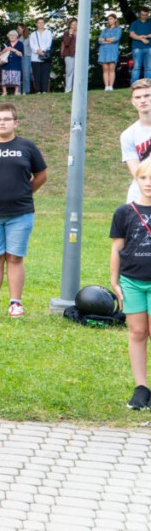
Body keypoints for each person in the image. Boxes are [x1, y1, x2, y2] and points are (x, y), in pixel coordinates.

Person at [0, 102, 48, 318]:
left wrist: (24, 192)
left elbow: (41, 175)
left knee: (14, 257)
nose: (2, 123)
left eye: (6, 119)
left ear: (15, 122)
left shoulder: (27, 147)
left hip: (20, 213)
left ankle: (15, 303)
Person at [109, 155, 151, 410]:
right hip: (132, 281)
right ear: (136, 179)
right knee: (137, 332)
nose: (148, 183)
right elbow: (117, 248)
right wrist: (115, 281)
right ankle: (141, 388)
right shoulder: (124, 212)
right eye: (144, 178)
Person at [120, 78, 151, 204]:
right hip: (140, 195)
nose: (142, 100)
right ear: (133, 102)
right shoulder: (128, 135)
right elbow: (137, 172)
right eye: (138, 97)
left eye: (147, 95)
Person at [99, 14, 123, 91]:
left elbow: (116, 38)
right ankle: (106, 86)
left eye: (111, 19)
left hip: (113, 50)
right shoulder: (105, 30)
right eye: (108, 19)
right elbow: (100, 40)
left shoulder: (118, 29)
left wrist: (105, 40)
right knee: (105, 69)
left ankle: (111, 86)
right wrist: (109, 40)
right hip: (104, 51)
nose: (110, 21)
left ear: (115, 20)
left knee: (112, 69)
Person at [29, 17, 53, 93]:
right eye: (39, 23)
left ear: (44, 23)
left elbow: (49, 43)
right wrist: (37, 50)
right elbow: (31, 44)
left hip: (45, 56)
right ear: (36, 24)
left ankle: (44, 90)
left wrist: (43, 50)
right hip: (35, 57)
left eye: (42, 22)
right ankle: (38, 90)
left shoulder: (48, 32)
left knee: (45, 74)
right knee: (37, 74)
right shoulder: (33, 34)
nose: (40, 24)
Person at [0, 30, 25, 97]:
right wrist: (4, 50)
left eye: (13, 35)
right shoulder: (5, 44)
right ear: (8, 36)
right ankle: (4, 92)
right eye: (10, 35)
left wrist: (14, 50)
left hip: (16, 63)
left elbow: (21, 54)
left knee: (16, 77)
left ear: (16, 36)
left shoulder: (20, 44)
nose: (12, 36)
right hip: (6, 64)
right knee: (5, 78)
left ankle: (16, 92)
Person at [129, 6, 151, 82]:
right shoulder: (134, 23)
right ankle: (134, 85)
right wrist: (141, 38)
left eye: (145, 14)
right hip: (137, 48)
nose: (144, 16)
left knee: (149, 68)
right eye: (142, 14)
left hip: (149, 47)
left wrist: (147, 36)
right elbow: (131, 34)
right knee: (136, 67)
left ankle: (149, 86)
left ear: (148, 14)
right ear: (139, 14)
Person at [61, 18, 77, 93]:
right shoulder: (66, 33)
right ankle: (68, 89)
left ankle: (76, 89)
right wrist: (70, 35)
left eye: (76, 24)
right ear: (70, 25)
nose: (74, 26)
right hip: (69, 54)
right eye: (73, 24)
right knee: (69, 72)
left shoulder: (80, 33)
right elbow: (66, 43)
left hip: (78, 55)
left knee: (77, 72)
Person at [17, 23, 33, 95]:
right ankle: (19, 90)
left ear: (23, 29)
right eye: (17, 29)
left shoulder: (29, 37)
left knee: (26, 74)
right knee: (19, 74)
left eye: (19, 29)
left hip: (27, 57)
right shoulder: (17, 38)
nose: (18, 30)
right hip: (18, 57)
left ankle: (25, 90)